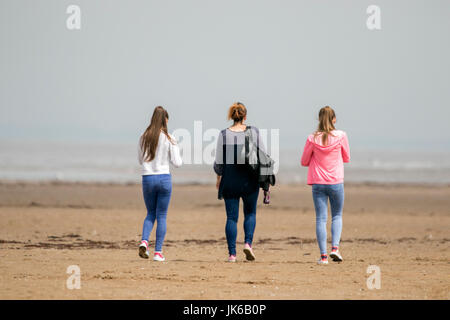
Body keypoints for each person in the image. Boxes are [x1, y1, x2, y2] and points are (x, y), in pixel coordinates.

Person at [214, 102, 265, 262]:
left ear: (232, 116)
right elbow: (263, 156)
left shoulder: (223, 134)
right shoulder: (254, 132)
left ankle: (232, 254)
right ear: (245, 116)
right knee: (250, 213)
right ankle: (248, 244)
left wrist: (219, 178)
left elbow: (219, 163)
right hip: (250, 181)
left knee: (231, 218)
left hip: (230, 181)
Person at [301, 106, 350, 265]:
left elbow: (304, 161)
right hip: (336, 181)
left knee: (321, 219)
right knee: (337, 215)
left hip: (318, 183)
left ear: (319, 119)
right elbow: (346, 157)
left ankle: (323, 257)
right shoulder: (341, 135)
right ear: (334, 119)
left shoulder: (312, 138)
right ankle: (335, 248)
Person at [138, 106, 182, 261]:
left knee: (150, 214)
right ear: (165, 120)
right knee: (161, 215)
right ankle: (158, 252)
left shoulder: (143, 137)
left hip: (148, 178)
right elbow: (177, 163)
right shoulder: (170, 138)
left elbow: (140, 160)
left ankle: (144, 240)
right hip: (163, 178)